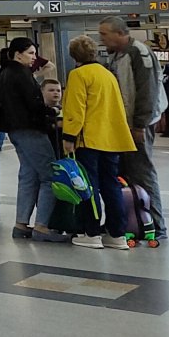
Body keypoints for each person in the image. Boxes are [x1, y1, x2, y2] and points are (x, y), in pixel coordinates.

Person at [61, 34, 137, 250]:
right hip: (112, 138)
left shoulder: (78, 75)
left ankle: (91, 232)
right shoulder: (107, 75)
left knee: (88, 186)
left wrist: (69, 137)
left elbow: (76, 109)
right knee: (111, 185)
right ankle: (117, 234)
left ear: (73, 56)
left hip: (89, 139)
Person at [97, 18, 167, 240]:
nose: (102, 39)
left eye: (105, 34)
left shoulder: (139, 53)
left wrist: (140, 124)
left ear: (120, 33)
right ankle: (131, 221)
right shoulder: (116, 55)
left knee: (142, 172)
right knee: (124, 173)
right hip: (123, 125)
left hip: (137, 125)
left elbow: (148, 91)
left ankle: (156, 225)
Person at [0, 38, 66, 243]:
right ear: (18, 54)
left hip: (15, 130)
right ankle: (42, 227)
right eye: (31, 53)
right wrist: (52, 111)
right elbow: (33, 104)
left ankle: (21, 224)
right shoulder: (21, 73)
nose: (34, 58)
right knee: (50, 176)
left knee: (28, 176)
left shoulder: (5, 72)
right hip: (31, 129)